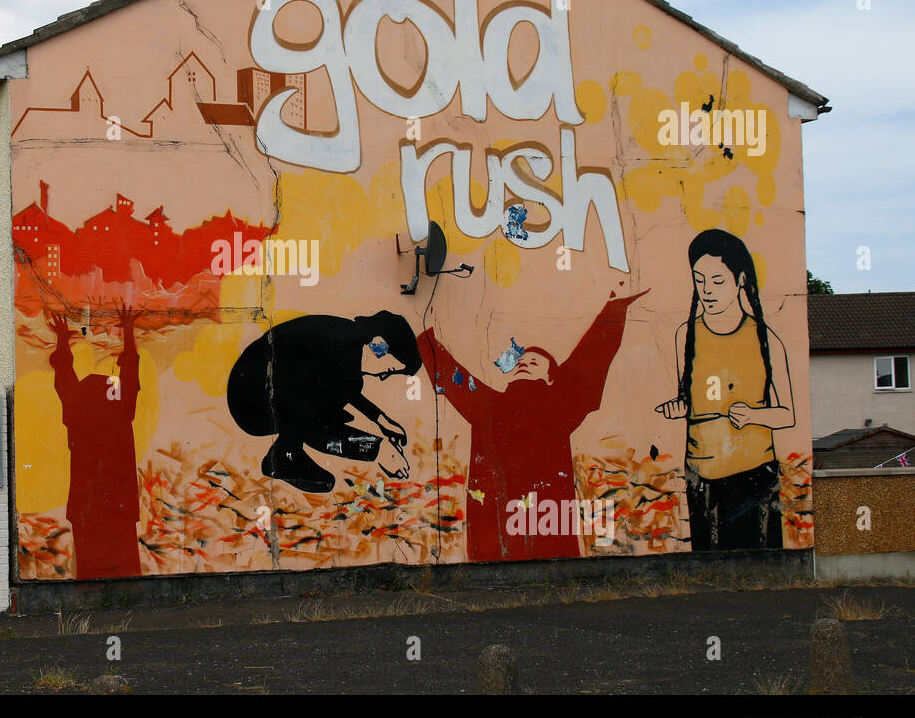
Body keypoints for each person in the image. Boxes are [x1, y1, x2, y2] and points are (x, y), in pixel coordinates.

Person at [419, 290, 647, 562]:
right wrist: (423, 333)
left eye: (535, 362)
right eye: (521, 362)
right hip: (496, 517)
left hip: (545, 518)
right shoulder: (488, 405)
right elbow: (450, 373)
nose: (524, 364)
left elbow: (592, 357)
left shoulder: (560, 407)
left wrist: (614, 307)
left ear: (551, 378)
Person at [655, 229, 793, 551]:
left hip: (753, 478)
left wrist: (755, 416)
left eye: (717, 281)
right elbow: (689, 400)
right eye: (699, 280)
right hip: (701, 481)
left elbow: (787, 415)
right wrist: (680, 408)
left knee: (758, 568)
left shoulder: (765, 339)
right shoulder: (685, 336)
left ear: (740, 279)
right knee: (706, 573)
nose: (707, 291)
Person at [227, 311, 422, 493]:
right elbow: (316, 418)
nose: (383, 377)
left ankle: (284, 454)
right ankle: (285, 458)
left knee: (330, 408)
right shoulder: (339, 346)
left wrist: (382, 420)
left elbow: (342, 388)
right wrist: (378, 449)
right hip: (251, 403)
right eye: (388, 370)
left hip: (264, 395)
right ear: (378, 345)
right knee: (323, 414)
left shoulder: (348, 347)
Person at [51, 303, 142, 579]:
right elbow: (130, 373)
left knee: (90, 568)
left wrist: (63, 341)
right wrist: (128, 333)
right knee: (125, 564)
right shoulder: (122, 410)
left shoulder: (77, 412)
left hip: (86, 504)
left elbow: (63, 377)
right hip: (118, 503)